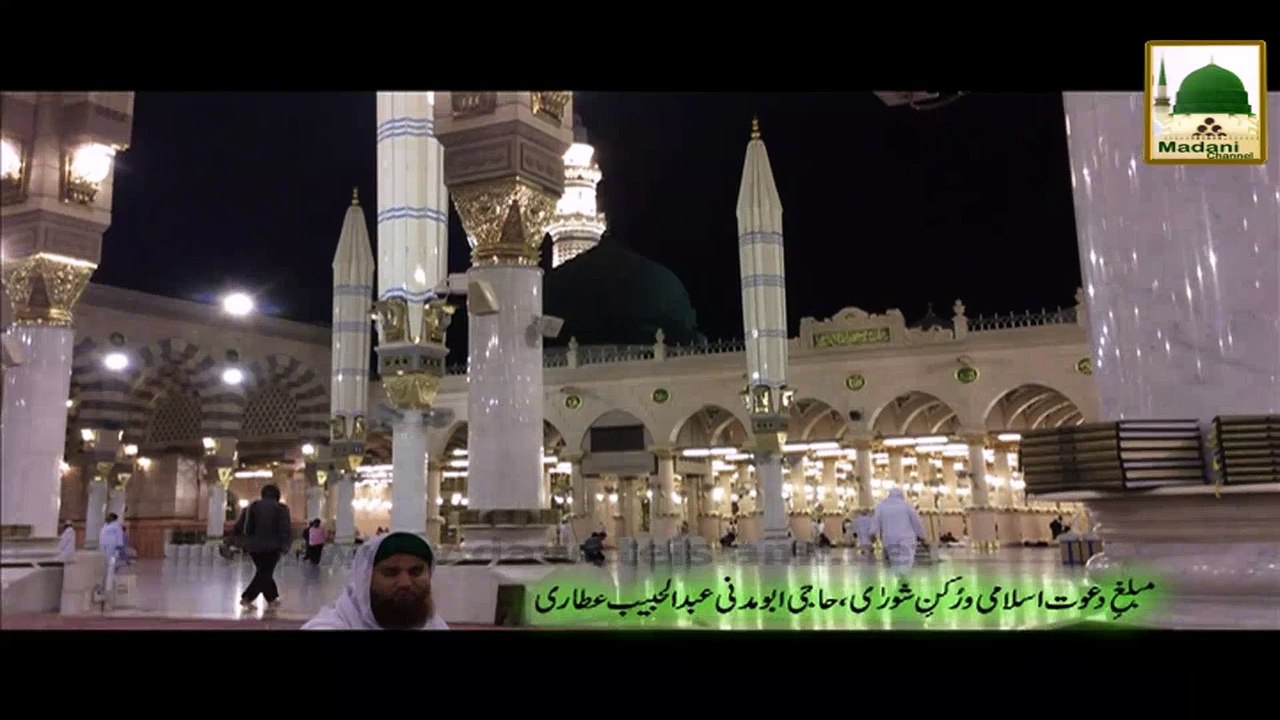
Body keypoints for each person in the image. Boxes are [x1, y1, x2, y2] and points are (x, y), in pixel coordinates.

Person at [302, 531, 448, 630]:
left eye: (415, 572)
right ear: (366, 580)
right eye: (390, 573)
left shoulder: (433, 624)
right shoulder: (331, 625)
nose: (405, 583)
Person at [232, 484, 293, 611]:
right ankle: (247, 598)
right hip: (273, 546)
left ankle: (272, 599)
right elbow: (285, 528)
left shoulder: (252, 506)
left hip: (253, 546)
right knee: (264, 573)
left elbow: (240, 526)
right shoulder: (281, 508)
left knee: (264, 572)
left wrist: (242, 540)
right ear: (277, 495)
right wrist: (285, 545)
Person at [874, 488, 928, 574]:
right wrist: (922, 535)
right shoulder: (906, 505)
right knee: (907, 556)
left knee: (894, 558)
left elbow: (876, 521)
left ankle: (900, 576)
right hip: (907, 536)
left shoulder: (881, 506)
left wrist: (873, 533)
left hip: (889, 537)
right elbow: (916, 521)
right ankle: (903, 576)